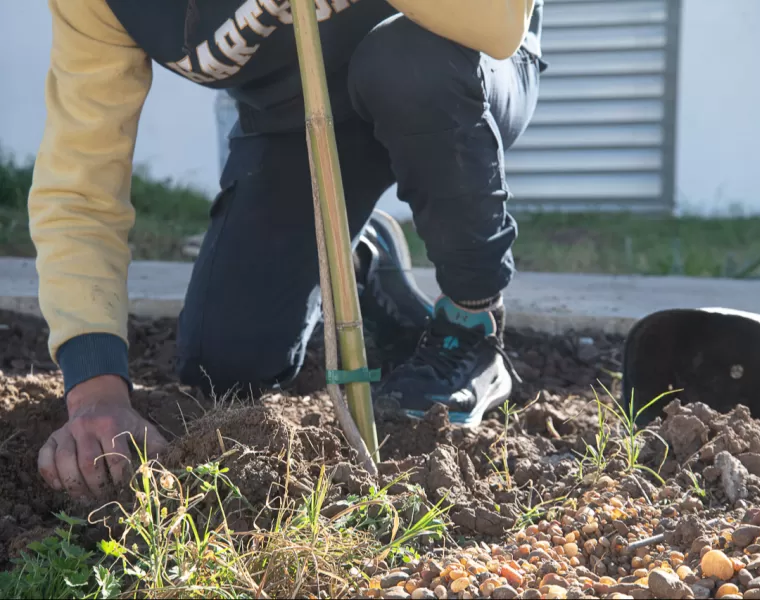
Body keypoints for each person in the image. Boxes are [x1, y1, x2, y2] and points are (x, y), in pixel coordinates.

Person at [30, 0, 545, 500]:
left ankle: (471, 322)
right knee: (225, 364)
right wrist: (94, 389)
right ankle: (353, 260)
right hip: (295, 119)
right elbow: (81, 187)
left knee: (405, 65)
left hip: (452, 63)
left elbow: (496, 22)